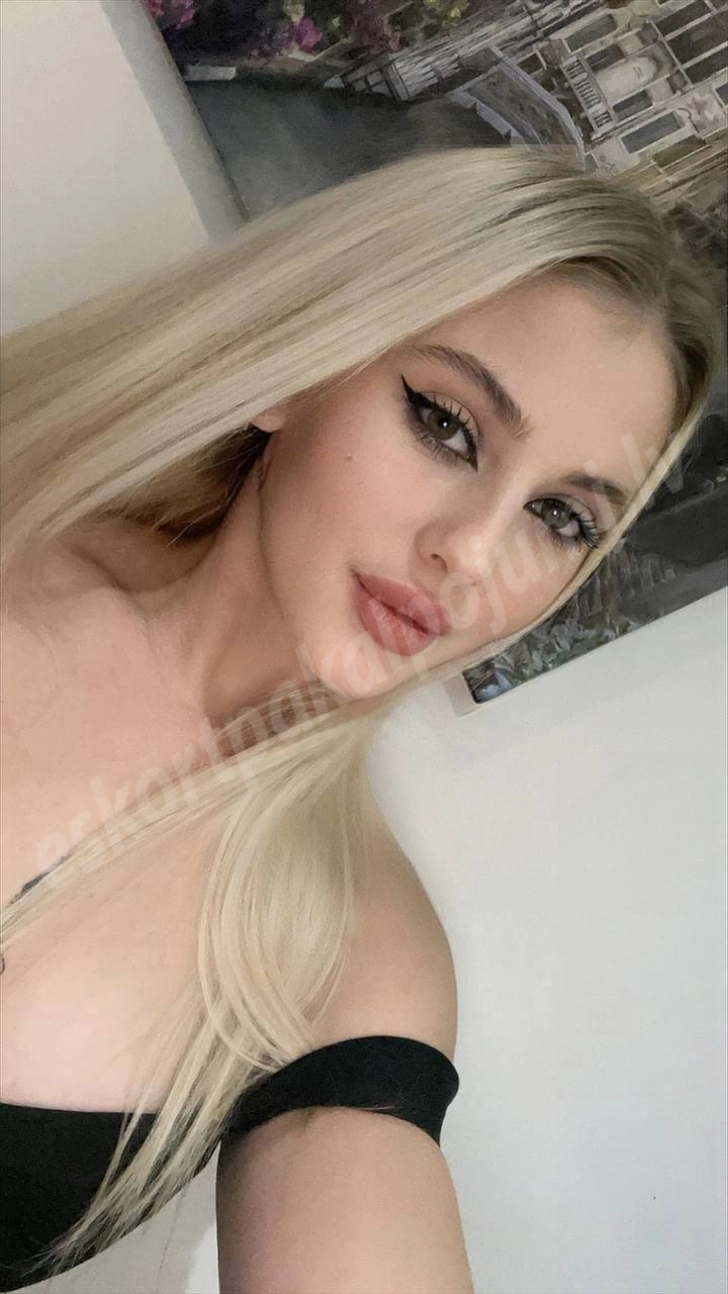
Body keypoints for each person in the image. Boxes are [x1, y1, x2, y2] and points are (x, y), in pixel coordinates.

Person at [0, 146, 721, 1293]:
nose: (470, 554)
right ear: (292, 367)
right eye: (445, 423)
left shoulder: (352, 965)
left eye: (558, 517)